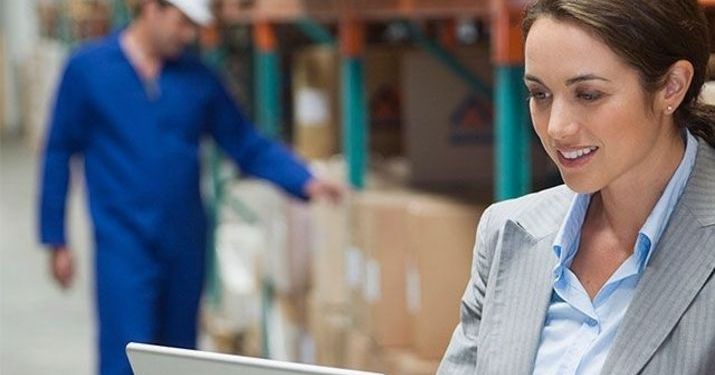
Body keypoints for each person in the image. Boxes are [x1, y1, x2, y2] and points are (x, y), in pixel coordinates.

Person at [38, 1, 342, 374]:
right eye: (181, 23)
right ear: (152, 9)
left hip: (184, 244)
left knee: (177, 359)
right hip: (123, 243)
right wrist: (56, 237)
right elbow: (58, 150)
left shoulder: (198, 79)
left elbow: (244, 142)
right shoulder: (88, 70)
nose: (189, 35)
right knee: (125, 356)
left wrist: (303, 178)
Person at [438, 0, 715, 374]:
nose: (556, 128)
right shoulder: (507, 233)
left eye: (588, 95)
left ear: (671, 87)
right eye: (540, 95)